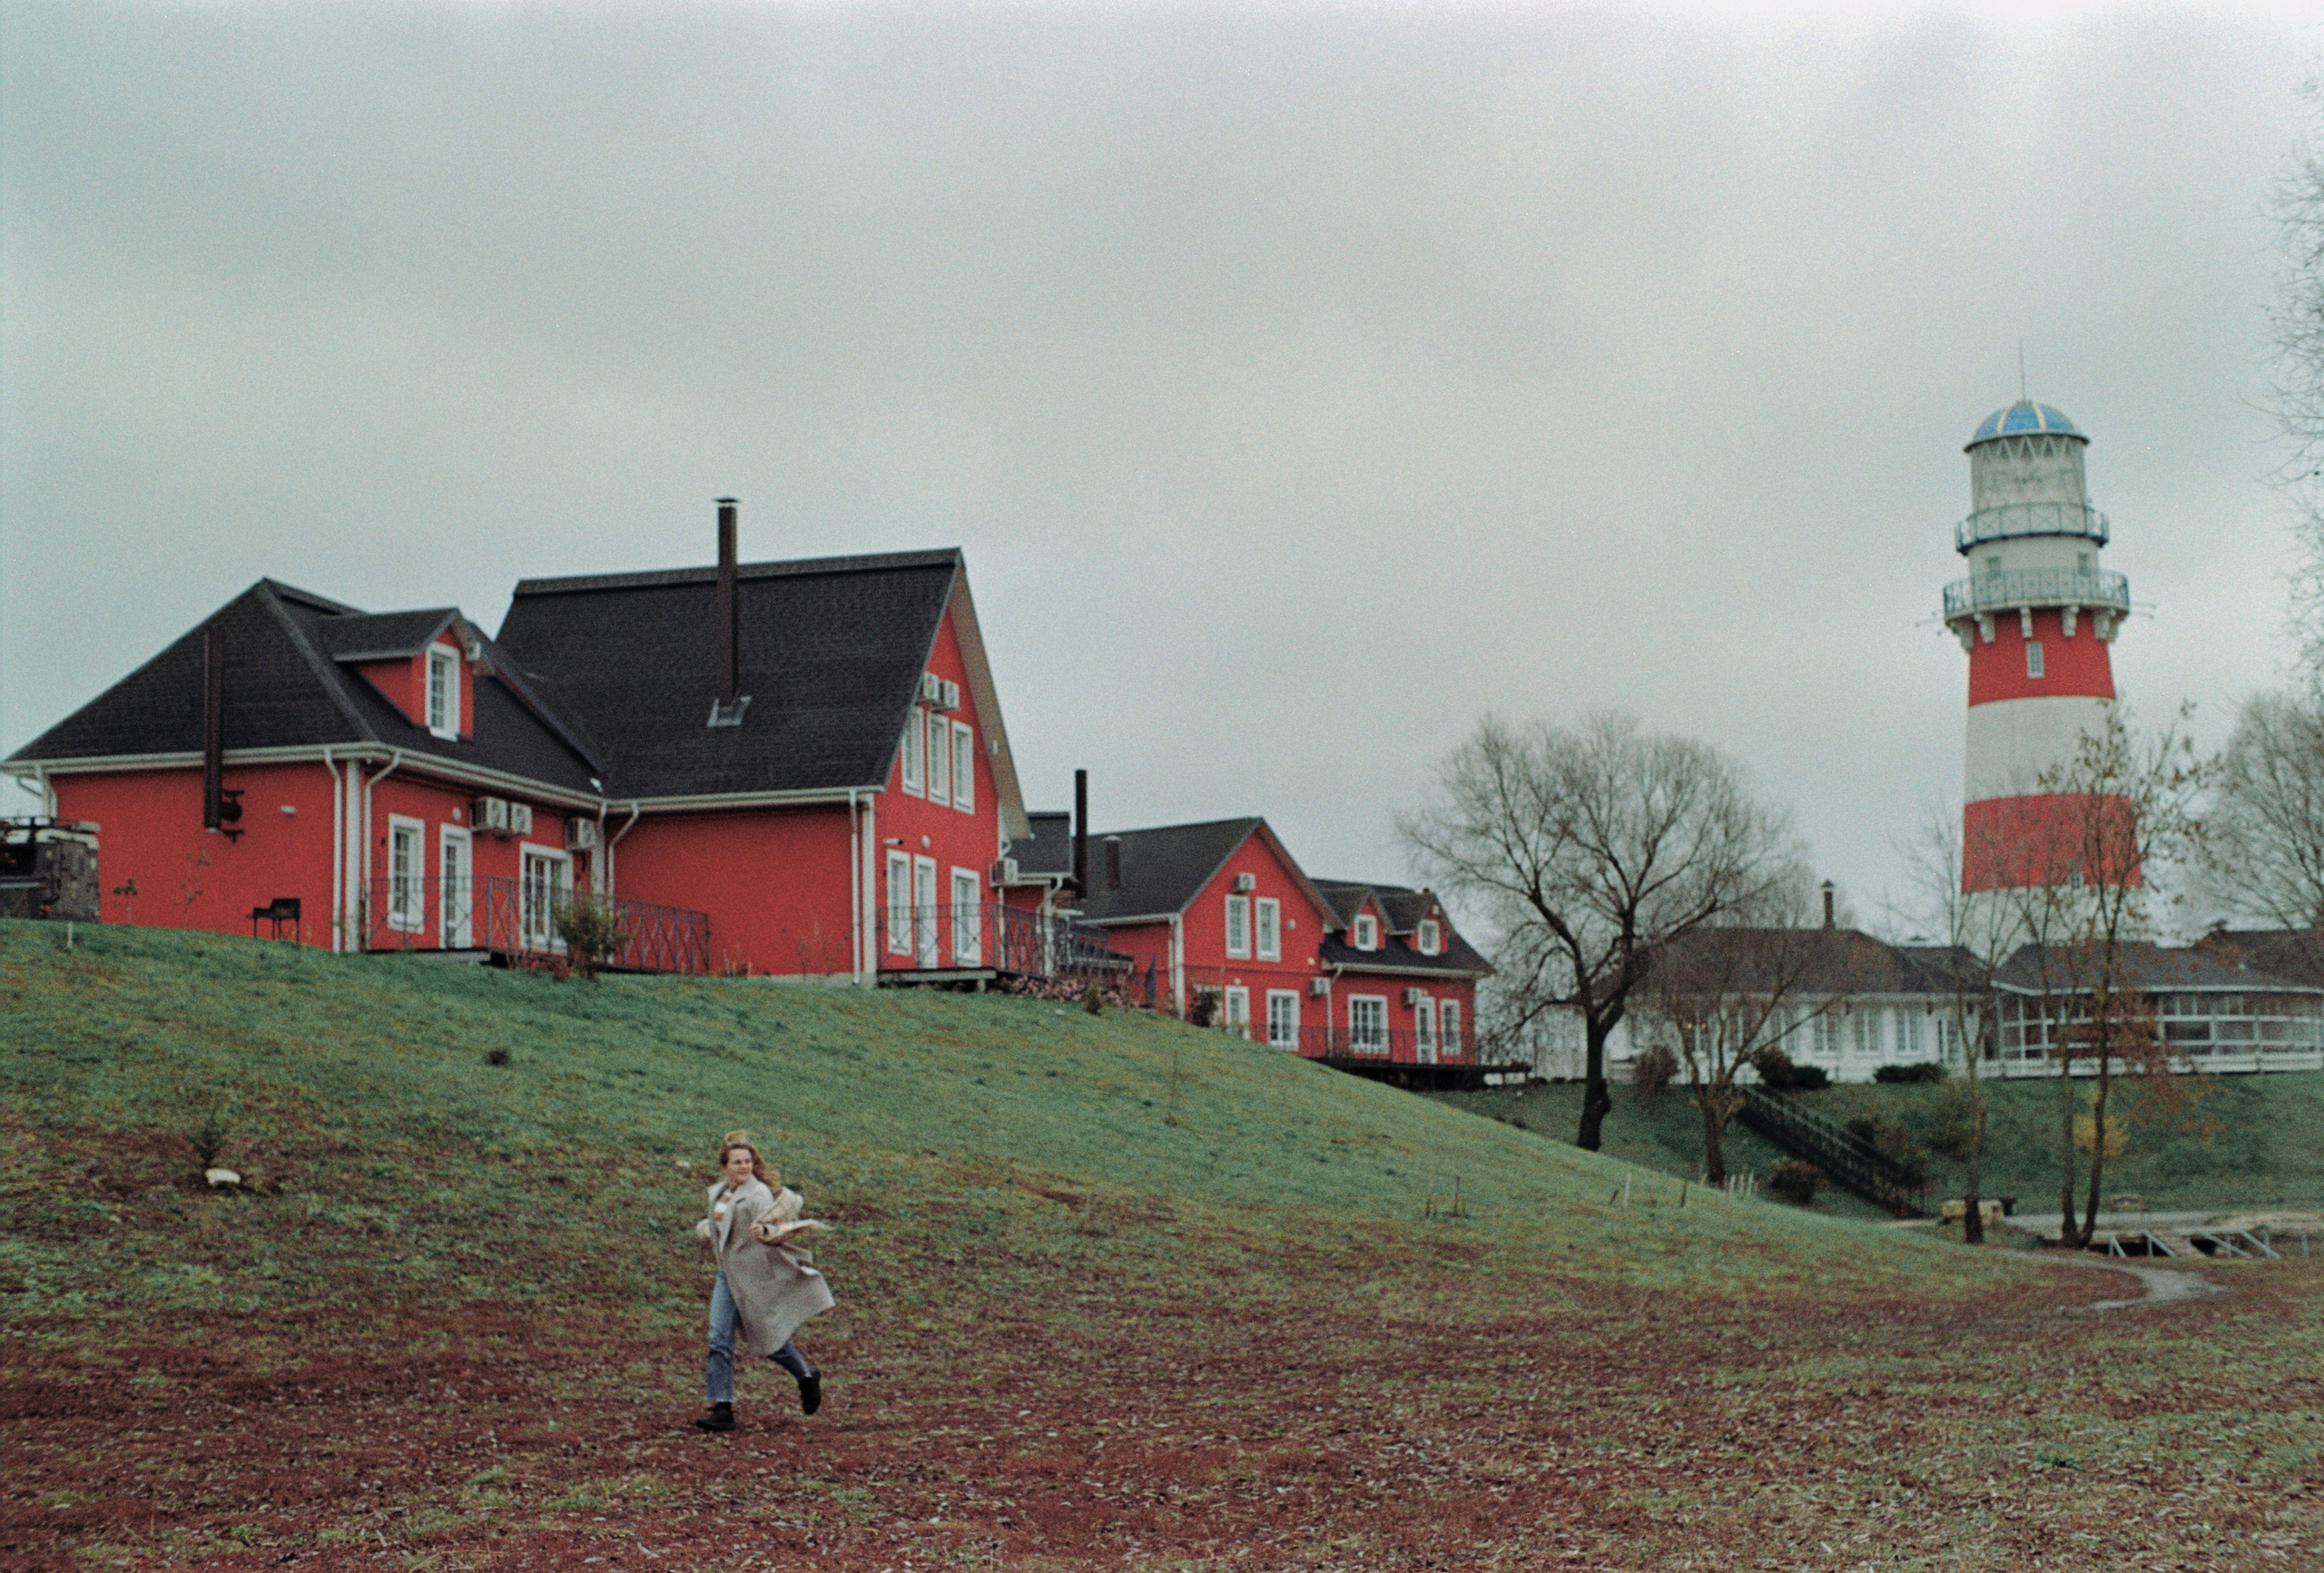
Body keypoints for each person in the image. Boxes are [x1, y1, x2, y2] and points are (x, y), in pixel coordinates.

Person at [693, 1131, 835, 1433]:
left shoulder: (757, 1194)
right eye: (737, 1162)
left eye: (747, 1161)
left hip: (755, 1277)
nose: (743, 1167)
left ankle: (805, 1376)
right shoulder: (719, 1192)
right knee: (719, 1337)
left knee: (767, 1338)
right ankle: (722, 1408)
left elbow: (777, 1224)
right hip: (728, 1275)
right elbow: (723, 1223)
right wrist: (708, 1230)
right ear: (724, 1166)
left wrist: (766, 1233)